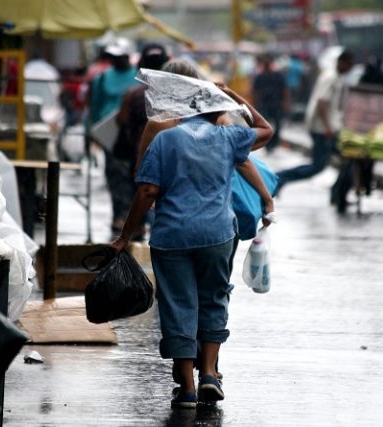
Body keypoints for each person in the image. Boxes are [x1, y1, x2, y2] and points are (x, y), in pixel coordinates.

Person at [110, 59, 273, 409]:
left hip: (172, 233)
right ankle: (210, 373)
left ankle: (186, 388)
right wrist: (232, 98)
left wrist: (125, 236)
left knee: (178, 303)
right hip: (218, 231)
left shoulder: (161, 133)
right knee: (213, 297)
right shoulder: (226, 130)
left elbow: (146, 188)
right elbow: (261, 137)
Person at [274, 49, 355, 195]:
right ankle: (280, 178)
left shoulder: (336, 76)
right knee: (318, 166)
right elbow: (321, 102)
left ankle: (337, 193)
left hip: (327, 128)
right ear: (343, 62)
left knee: (344, 159)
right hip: (322, 129)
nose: (350, 69)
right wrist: (328, 127)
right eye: (349, 65)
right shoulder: (330, 77)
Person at [110, 44, 170, 238]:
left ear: (142, 65)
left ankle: (136, 246)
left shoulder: (133, 94)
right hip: (171, 157)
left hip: (142, 156)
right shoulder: (176, 96)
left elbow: (121, 121)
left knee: (141, 201)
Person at [86, 41, 138, 232]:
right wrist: (90, 133)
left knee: (136, 174)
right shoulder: (102, 79)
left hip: (133, 133)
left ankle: (136, 219)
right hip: (110, 133)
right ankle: (118, 215)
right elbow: (95, 107)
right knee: (114, 174)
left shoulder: (138, 76)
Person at [252, 54, 289, 153]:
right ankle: (267, 144)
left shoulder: (278, 75)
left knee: (277, 124)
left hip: (276, 103)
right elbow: (255, 92)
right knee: (266, 125)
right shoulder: (259, 76)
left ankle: (274, 143)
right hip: (264, 105)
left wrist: (285, 102)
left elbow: (284, 89)